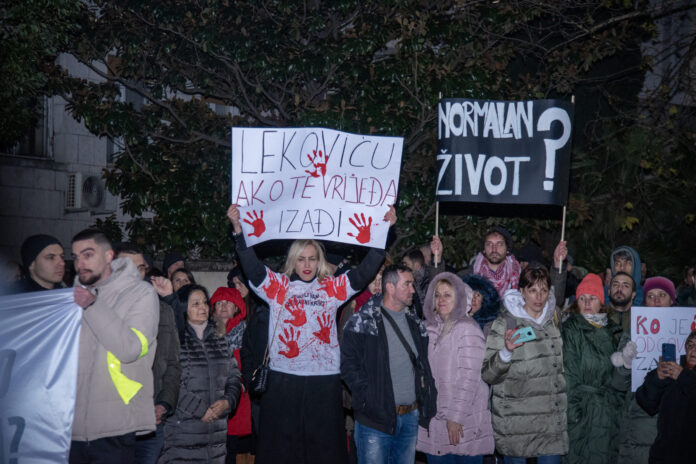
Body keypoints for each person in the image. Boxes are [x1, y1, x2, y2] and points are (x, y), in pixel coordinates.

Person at [227, 203, 396, 464]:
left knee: (323, 454)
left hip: (324, 382)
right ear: (293, 261)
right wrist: (239, 232)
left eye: (312, 258)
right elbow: (253, 268)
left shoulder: (332, 288)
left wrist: (383, 231)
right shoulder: (278, 287)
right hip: (283, 381)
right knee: (280, 454)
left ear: (319, 261)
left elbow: (363, 274)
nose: (306, 265)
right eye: (301, 258)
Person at [69, 229, 159, 463]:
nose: (80, 263)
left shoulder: (141, 293)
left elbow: (130, 349)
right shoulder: (69, 298)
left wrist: (93, 306)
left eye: (88, 254)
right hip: (72, 429)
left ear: (109, 256)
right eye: (76, 257)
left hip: (116, 428)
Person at [341, 264, 433, 464]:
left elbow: (421, 363)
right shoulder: (363, 321)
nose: (412, 289)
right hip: (375, 419)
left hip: (410, 417)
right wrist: (368, 397)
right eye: (407, 284)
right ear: (390, 287)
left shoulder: (415, 323)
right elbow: (347, 365)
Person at [481, 265, 567, 463]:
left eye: (544, 290)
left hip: (550, 424)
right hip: (516, 425)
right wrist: (506, 351)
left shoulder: (553, 321)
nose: (539, 297)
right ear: (522, 292)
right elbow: (488, 375)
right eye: (532, 290)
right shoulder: (505, 323)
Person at [158, 284, 242, 463]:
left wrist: (228, 401)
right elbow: (169, 382)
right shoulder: (175, 339)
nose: (203, 307)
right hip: (183, 433)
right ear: (183, 308)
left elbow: (234, 376)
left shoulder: (219, 338)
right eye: (195, 304)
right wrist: (201, 410)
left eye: (204, 302)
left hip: (216, 439)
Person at [416, 273, 494, 463]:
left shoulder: (467, 328)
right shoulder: (428, 329)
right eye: (437, 295)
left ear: (459, 297)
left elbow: (470, 378)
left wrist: (455, 418)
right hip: (435, 423)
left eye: (447, 295)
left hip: (463, 423)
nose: (441, 299)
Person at [116, 244, 181, 464]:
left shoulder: (163, 310)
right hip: (110, 422)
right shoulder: (97, 306)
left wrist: (164, 404)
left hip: (151, 422)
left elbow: (173, 363)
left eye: (140, 268)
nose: (134, 274)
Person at [562, 273, 628, 464]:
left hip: (608, 414)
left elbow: (619, 380)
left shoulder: (614, 332)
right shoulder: (571, 330)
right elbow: (569, 376)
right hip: (583, 416)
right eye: (582, 298)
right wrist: (574, 416)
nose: (587, 303)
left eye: (592, 298)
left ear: (602, 302)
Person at [616, 278, 675, 464]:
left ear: (672, 300)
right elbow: (617, 384)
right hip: (638, 421)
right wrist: (625, 364)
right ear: (644, 301)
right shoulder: (632, 332)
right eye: (651, 296)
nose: (656, 301)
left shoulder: (686, 335)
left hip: (674, 420)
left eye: (662, 295)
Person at [635, 330, 696, 463]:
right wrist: (657, 379)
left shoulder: (681, 375)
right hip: (664, 456)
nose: (693, 350)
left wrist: (684, 377)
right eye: (690, 345)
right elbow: (646, 404)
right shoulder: (673, 372)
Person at [209, 286, 252, 464]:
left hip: (236, 397)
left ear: (237, 308)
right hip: (210, 397)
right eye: (220, 302)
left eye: (229, 302)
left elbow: (251, 364)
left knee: (230, 449)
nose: (224, 306)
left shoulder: (246, 333)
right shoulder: (205, 331)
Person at [472, 226, 521, 298]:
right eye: (489, 244)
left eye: (499, 244)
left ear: (507, 249)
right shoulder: (469, 276)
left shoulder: (520, 277)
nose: (494, 249)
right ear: (483, 249)